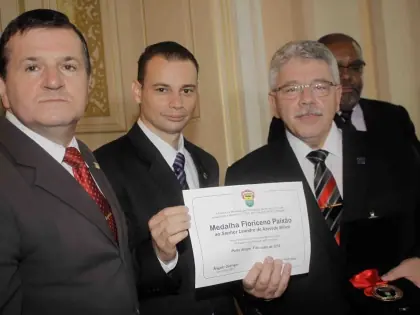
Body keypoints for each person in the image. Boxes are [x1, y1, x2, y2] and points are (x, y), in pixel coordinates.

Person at [226, 40, 420, 314]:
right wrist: (254, 291)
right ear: (274, 103)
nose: (307, 100)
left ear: (337, 94)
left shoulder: (393, 156)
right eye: (291, 89)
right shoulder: (246, 176)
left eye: (319, 87)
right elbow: (237, 274)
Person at [0, 9, 141, 314]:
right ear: (2, 87)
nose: (54, 81)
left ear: (89, 82)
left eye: (68, 65)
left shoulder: (83, 156)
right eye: (32, 67)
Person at [268, 33, 419, 152]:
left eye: (355, 67)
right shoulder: (294, 120)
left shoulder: (393, 116)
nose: (347, 76)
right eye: (338, 68)